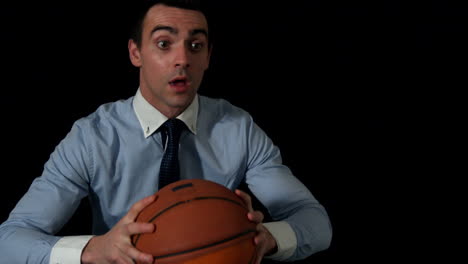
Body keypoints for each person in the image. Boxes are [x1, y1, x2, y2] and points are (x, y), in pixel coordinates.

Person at [0, 0, 332, 263]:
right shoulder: (92, 137)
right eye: (163, 43)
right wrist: (93, 250)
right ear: (135, 53)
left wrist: (264, 237)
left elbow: (316, 223)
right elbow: (10, 240)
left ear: (208, 57)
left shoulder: (239, 129)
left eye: (195, 45)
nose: (182, 59)